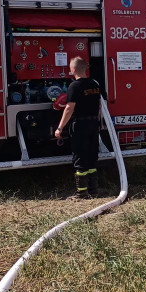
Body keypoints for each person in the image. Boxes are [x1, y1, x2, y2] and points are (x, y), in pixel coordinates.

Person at [54, 57, 102, 199]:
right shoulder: (95, 84)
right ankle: (94, 190)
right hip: (94, 124)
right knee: (92, 156)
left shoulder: (74, 86)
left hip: (80, 125)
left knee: (80, 157)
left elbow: (69, 108)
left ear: (73, 70)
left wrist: (60, 128)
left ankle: (81, 193)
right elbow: (99, 105)